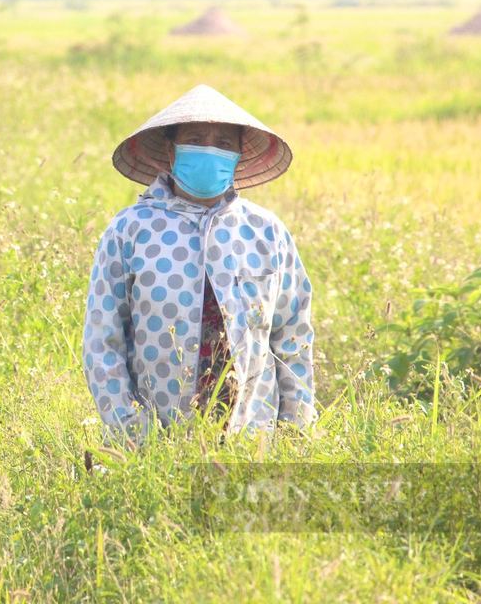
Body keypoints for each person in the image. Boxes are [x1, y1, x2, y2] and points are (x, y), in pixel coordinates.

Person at [82, 84, 316, 441]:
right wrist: (134, 432)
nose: (209, 150)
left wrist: (295, 431)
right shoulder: (130, 230)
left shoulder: (266, 232)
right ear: (171, 151)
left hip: (252, 440)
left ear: (238, 155)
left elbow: (293, 340)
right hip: (156, 440)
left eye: (223, 144)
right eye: (195, 139)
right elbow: (102, 343)